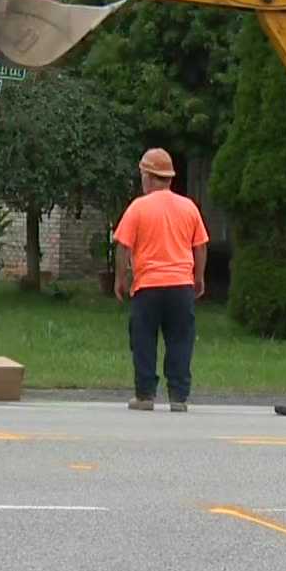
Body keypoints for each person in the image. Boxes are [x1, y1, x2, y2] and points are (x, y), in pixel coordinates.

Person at [113, 148, 209, 412]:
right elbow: (200, 246)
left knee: (143, 339)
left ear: (148, 176)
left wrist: (120, 279)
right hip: (181, 287)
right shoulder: (188, 207)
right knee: (180, 339)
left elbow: (123, 246)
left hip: (148, 287)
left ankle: (145, 396)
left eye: (142, 175)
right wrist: (198, 278)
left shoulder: (138, 208)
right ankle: (178, 397)